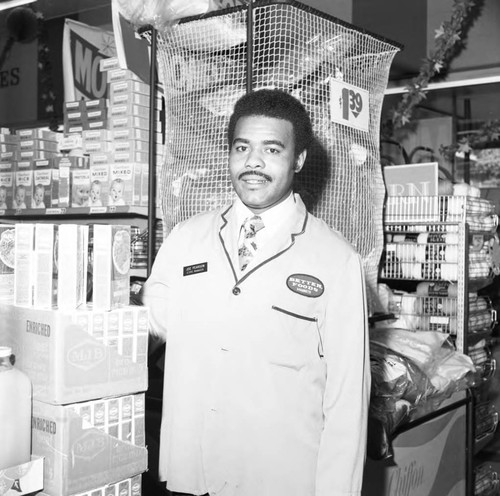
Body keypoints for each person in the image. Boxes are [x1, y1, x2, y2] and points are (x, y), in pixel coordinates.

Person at [143, 89, 370, 496]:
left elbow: (347, 400)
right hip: (191, 474)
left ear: (298, 159)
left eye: (272, 149)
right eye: (242, 147)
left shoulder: (337, 261)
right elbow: (153, 322)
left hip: (279, 478)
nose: (253, 162)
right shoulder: (185, 238)